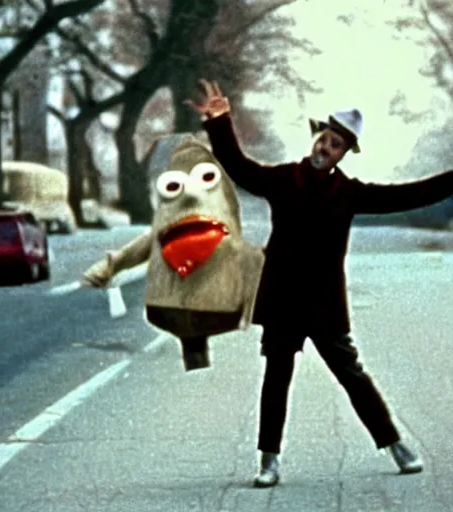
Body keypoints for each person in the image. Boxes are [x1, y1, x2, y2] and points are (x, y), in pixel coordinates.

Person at [185, 79, 453, 488]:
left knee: (352, 376)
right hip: (281, 301)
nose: (324, 148)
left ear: (343, 154)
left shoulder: (350, 194)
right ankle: (269, 461)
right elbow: (239, 167)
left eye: (334, 145)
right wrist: (220, 123)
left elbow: (412, 194)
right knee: (277, 377)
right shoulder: (282, 180)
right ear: (315, 139)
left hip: (325, 304)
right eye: (323, 139)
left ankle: (395, 444)